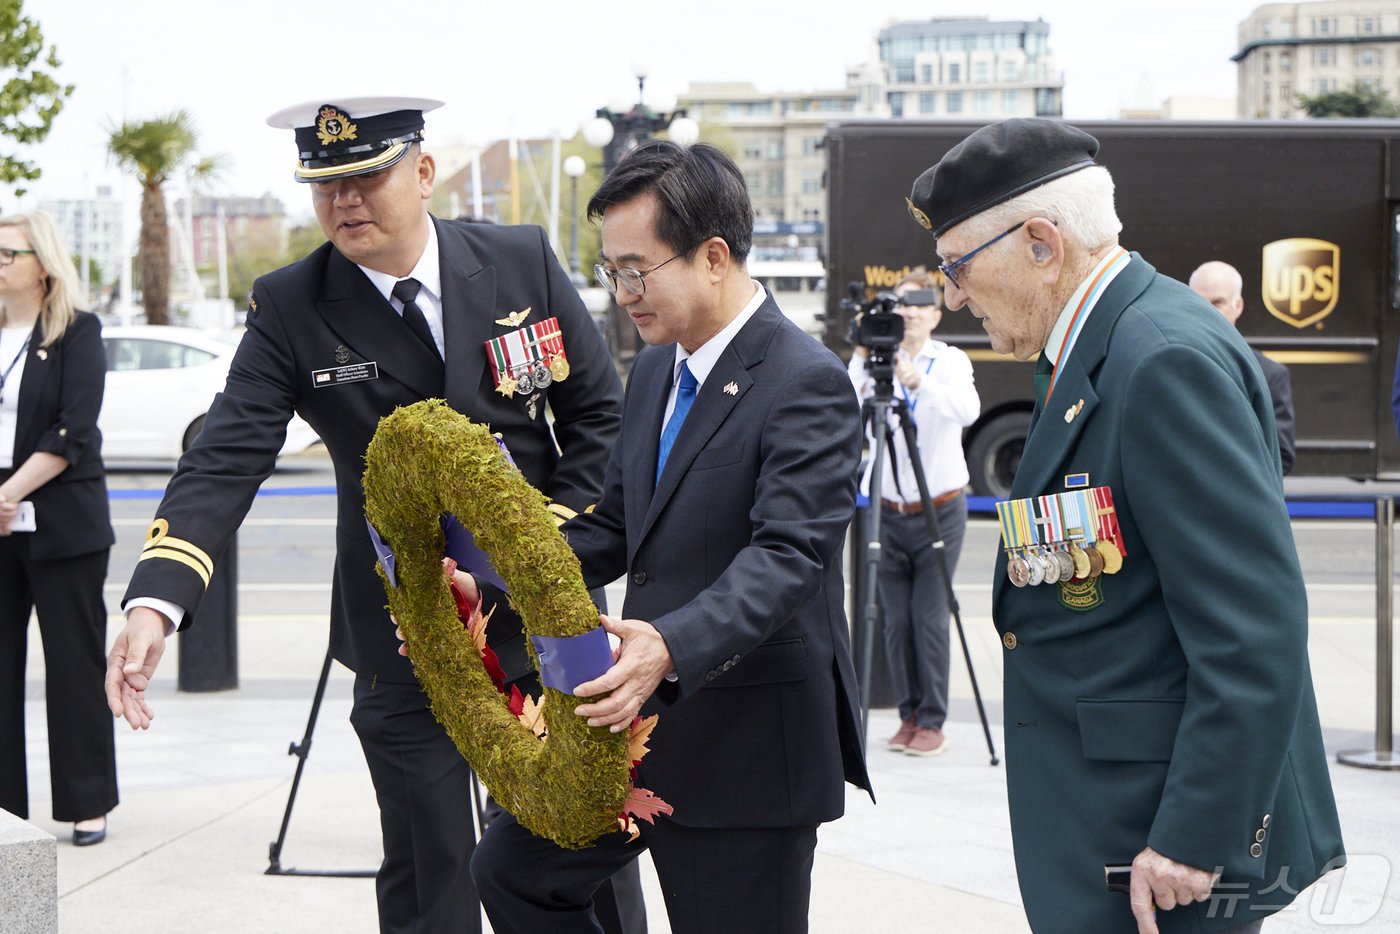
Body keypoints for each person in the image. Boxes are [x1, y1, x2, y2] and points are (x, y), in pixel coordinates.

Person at [103, 97, 637, 934]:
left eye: (365, 177)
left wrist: (541, 552)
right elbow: (228, 451)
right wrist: (154, 599)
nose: (345, 201)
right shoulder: (292, 303)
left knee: (576, 849)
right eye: (326, 185)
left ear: (423, 173)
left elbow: (602, 417)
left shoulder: (517, 260)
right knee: (433, 871)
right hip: (403, 629)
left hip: (546, 619)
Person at [905, 118, 1343, 933]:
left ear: (1041, 243)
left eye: (958, 267)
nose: (953, 296)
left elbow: (1254, 631)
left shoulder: (1160, 357)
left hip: (1161, 851)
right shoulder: (1101, 345)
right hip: (1116, 818)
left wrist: (1194, 837)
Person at [463, 139, 871, 934]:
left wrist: (670, 645)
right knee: (512, 870)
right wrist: (490, 582)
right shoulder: (656, 368)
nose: (621, 295)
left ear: (713, 257)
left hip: (746, 742)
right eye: (612, 272)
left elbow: (786, 558)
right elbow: (615, 526)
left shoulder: (805, 381)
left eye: (636, 271)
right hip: (639, 729)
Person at [0, 210, 118, 846]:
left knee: (73, 664)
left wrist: (10, 492)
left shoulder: (76, 331)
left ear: (42, 266)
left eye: (6, 255)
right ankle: (4, 810)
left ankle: (86, 801)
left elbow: (76, 428)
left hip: (60, 519)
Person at [847, 269, 979, 757]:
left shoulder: (949, 361)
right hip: (887, 507)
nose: (913, 313)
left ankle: (934, 720)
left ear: (936, 313)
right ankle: (908, 715)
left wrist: (918, 382)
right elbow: (845, 401)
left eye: (923, 305)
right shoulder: (878, 360)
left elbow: (966, 411)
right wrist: (864, 352)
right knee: (895, 622)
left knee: (928, 618)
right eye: (904, 305)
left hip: (939, 507)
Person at [1188, 261, 1296, 475]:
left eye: (1217, 302)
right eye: (1198, 302)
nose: (1207, 311)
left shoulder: (1270, 375)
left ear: (1238, 306)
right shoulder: (1169, 365)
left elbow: (1281, 458)